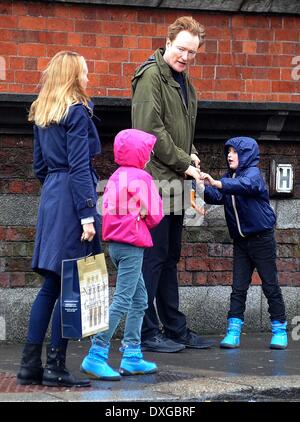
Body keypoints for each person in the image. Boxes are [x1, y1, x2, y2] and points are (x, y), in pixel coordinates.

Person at [17, 51, 102, 387]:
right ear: (72, 76)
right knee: (70, 285)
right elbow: (81, 166)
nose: (87, 78)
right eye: (84, 72)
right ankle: (55, 367)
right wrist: (85, 215)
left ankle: (28, 366)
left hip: (52, 195)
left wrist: (56, 189)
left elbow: (39, 166)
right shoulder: (78, 111)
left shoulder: (42, 113)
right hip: (72, 199)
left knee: (51, 285)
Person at [131, 16, 214, 352]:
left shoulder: (182, 80)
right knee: (153, 258)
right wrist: (183, 161)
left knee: (169, 256)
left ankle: (175, 328)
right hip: (155, 182)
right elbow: (150, 131)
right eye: (181, 49)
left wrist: (190, 154)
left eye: (192, 52)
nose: (185, 56)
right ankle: (146, 333)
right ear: (168, 42)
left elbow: (181, 130)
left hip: (176, 182)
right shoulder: (151, 75)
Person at [81, 129, 164, 379]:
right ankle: (96, 354)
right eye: (147, 150)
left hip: (116, 246)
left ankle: (132, 355)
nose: (150, 155)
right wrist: (145, 216)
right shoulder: (142, 177)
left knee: (140, 299)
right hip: (132, 246)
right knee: (124, 299)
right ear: (140, 152)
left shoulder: (116, 176)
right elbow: (156, 211)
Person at [201, 136, 288, 350]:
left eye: (234, 151)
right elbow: (216, 196)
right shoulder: (229, 177)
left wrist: (219, 183)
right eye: (228, 151)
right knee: (238, 287)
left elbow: (244, 186)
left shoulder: (253, 175)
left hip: (262, 239)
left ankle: (279, 330)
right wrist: (201, 184)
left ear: (246, 154)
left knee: (270, 285)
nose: (229, 155)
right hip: (241, 242)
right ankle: (233, 331)